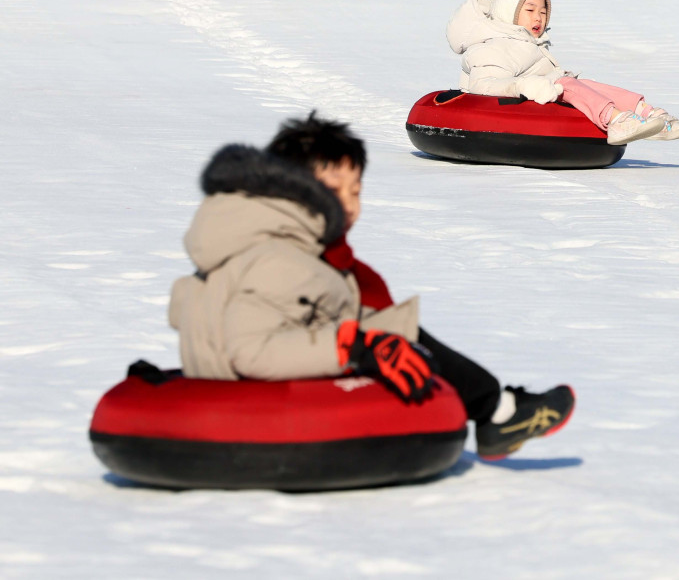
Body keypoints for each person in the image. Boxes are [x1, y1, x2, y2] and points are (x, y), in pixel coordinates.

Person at [168, 112, 574, 460]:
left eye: (355, 192)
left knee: (395, 331)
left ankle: (495, 408)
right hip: (252, 403)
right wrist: (357, 346)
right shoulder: (277, 259)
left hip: (271, 381)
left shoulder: (277, 246)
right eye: (331, 191)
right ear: (286, 188)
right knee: (395, 337)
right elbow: (250, 352)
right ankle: (496, 411)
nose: (348, 204)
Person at [447, 0, 679, 146]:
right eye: (530, 10)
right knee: (565, 84)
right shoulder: (491, 44)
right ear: (508, 11)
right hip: (496, 114)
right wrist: (524, 85)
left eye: (543, 12)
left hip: (539, 96)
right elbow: (483, 85)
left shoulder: (530, 45)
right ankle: (616, 120)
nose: (538, 18)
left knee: (583, 84)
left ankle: (648, 115)